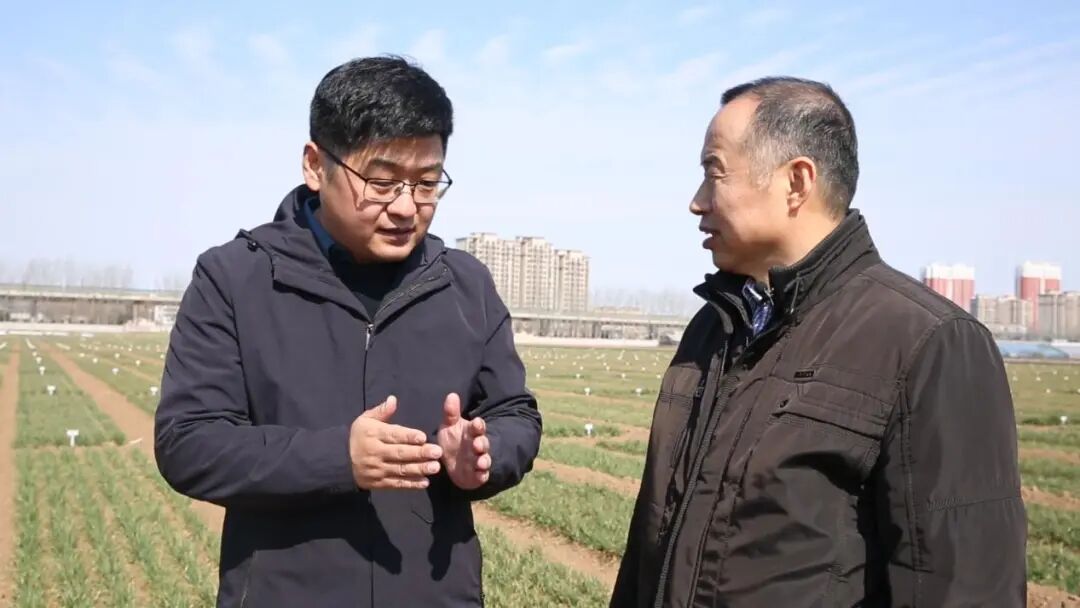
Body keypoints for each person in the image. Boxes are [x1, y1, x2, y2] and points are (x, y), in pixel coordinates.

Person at [611, 77, 1026, 607]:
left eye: (714, 172)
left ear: (796, 182)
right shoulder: (712, 329)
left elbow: (965, 587)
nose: (697, 202)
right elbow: (649, 549)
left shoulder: (928, 343)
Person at [154, 55, 542, 607]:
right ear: (316, 165)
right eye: (381, 182)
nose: (406, 207)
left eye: (427, 183)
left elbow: (515, 413)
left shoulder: (465, 285)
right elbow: (189, 443)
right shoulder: (235, 278)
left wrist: (484, 454)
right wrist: (339, 457)